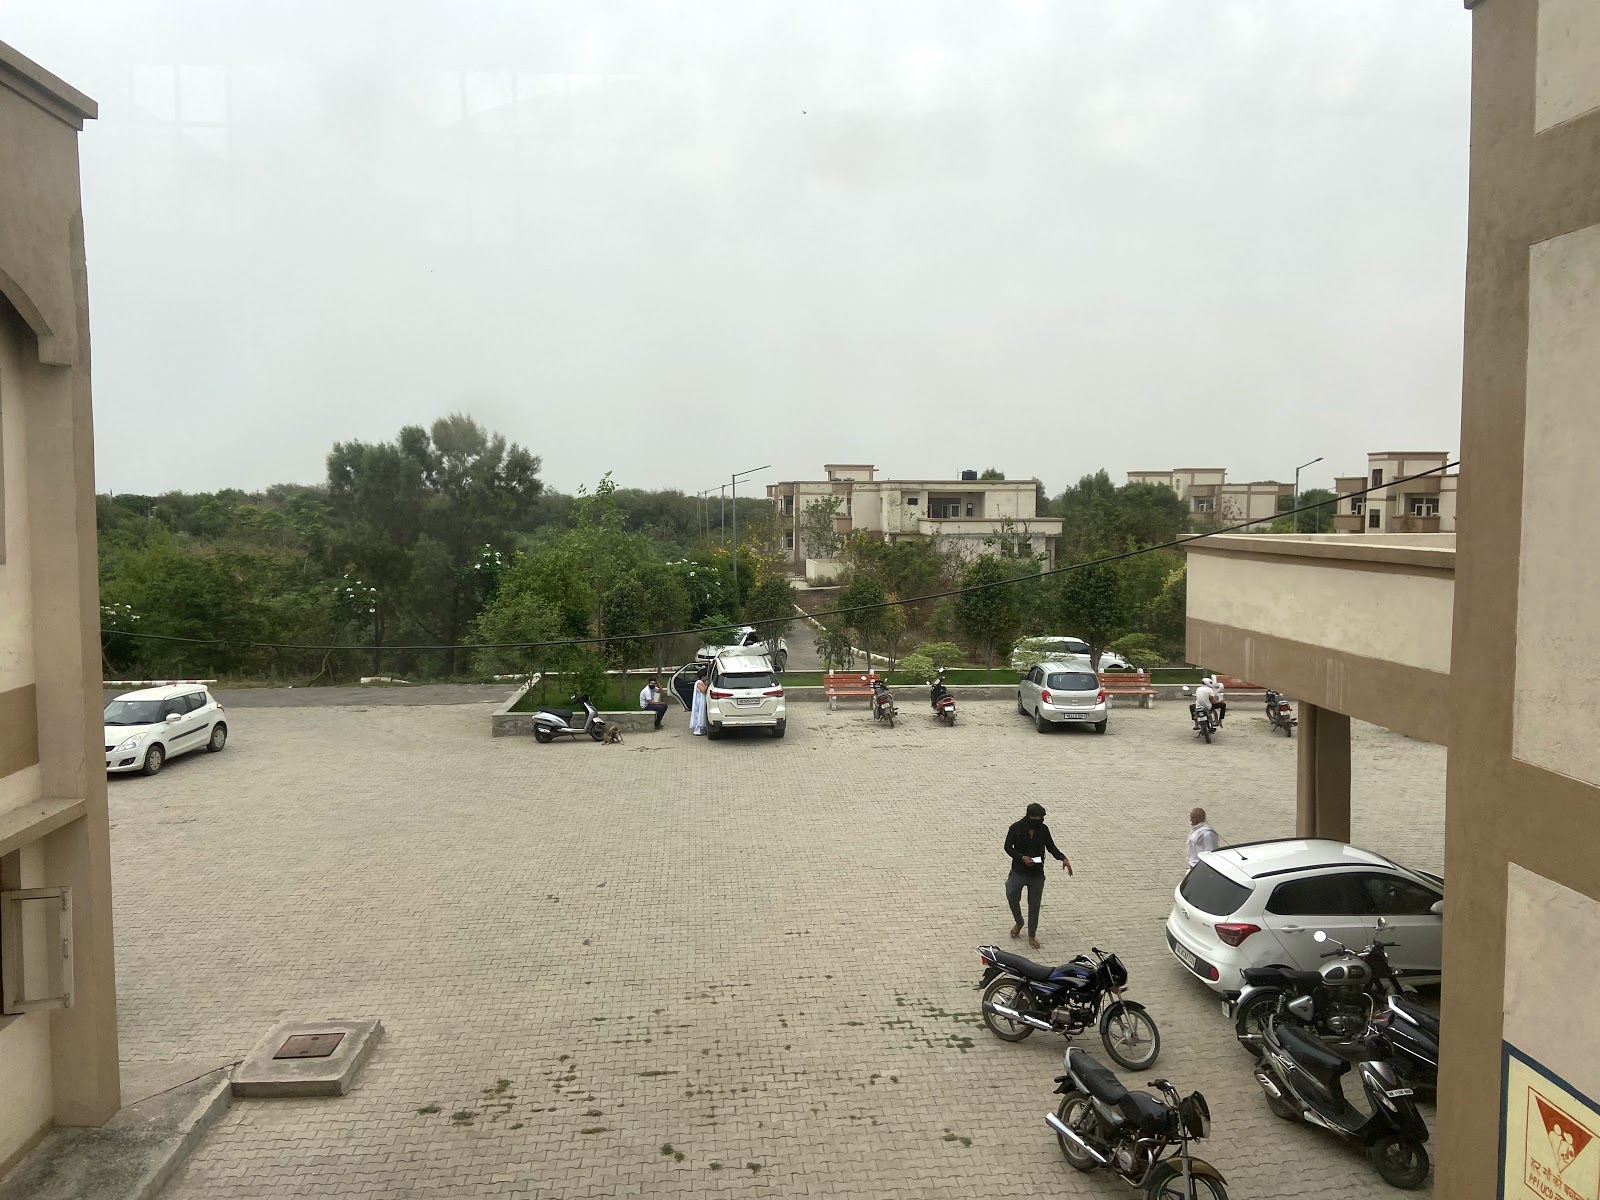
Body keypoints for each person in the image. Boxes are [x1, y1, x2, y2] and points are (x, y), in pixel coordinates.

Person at [1003, 802, 1072, 950]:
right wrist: (1022, 858)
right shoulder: (1015, 828)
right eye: (1036, 818)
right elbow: (1007, 847)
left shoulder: (1043, 830)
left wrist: (1063, 858)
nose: (1039, 821)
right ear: (1029, 816)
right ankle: (1019, 921)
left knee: (1034, 905)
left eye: (1041, 818)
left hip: (1037, 874)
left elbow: (1051, 847)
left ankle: (1032, 935)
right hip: (1018, 871)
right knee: (1011, 894)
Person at [689, 671, 709, 736]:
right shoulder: (699, 683)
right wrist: (707, 685)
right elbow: (703, 690)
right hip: (699, 702)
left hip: (701, 701)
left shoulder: (700, 682)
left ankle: (702, 729)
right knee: (699, 714)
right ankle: (698, 730)